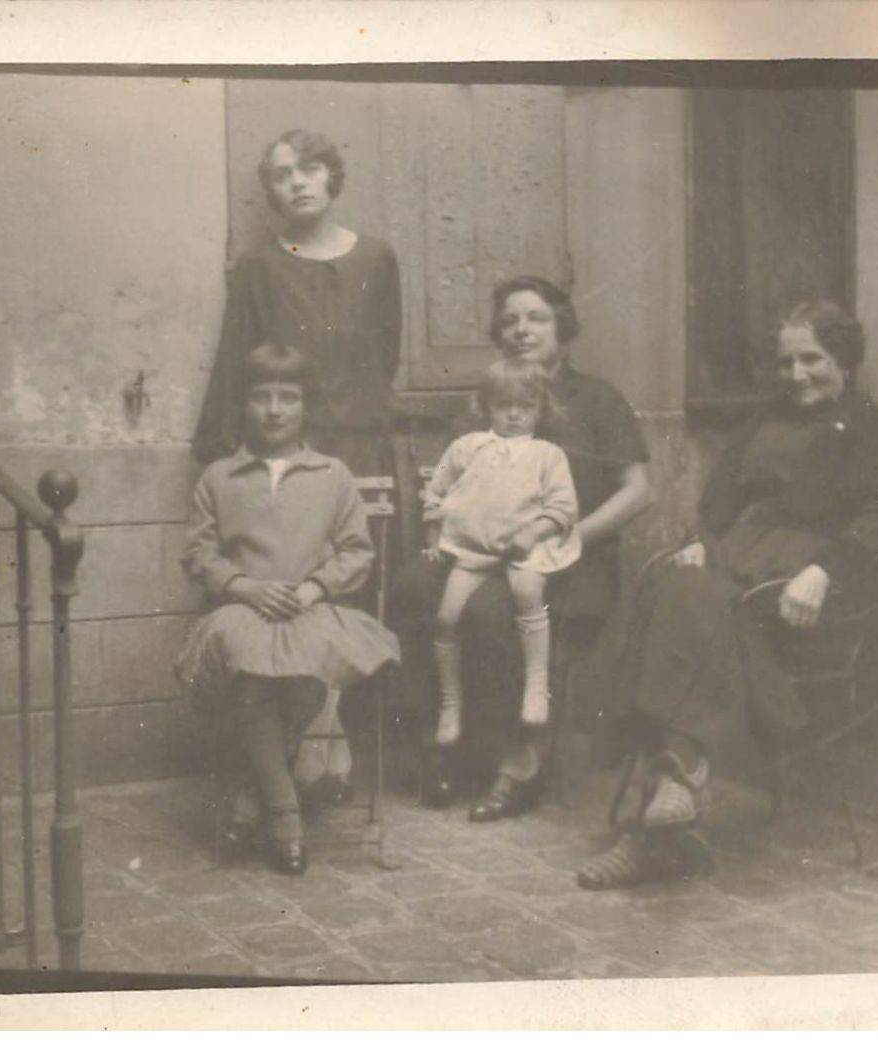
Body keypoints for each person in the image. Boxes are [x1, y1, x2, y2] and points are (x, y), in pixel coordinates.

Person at [575, 299, 878, 890]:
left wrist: (823, 571)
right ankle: (675, 787)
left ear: (845, 359)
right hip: (739, 564)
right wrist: (700, 543)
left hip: (803, 589)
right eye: (786, 362)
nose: (797, 375)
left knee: (687, 601)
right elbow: (716, 507)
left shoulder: (875, 430)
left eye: (813, 359)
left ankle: (665, 799)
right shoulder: (763, 422)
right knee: (671, 579)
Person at [191, 129, 403, 802]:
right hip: (280, 449)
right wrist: (231, 456)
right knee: (277, 590)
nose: (298, 182)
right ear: (272, 191)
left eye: (310, 169)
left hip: (357, 448)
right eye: (281, 174)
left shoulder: (377, 259)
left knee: (344, 592)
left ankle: (329, 746)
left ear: (332, 177)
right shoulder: (258, 267)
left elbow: (386, 351)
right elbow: (237, 361)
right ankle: (280, 761)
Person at [392, 276, 652, 822]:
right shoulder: (485, 400)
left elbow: (637, 490)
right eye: (509, 320)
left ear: (562, 326)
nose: (520, 330)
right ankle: (443, 741)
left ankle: (518, 762)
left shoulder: (599, 399)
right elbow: (453, 485)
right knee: (413, 589)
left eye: (535, 317)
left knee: (492, 610)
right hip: (483, 549)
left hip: (568, 557)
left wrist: (568, 536)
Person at [176, 343, 399, 875]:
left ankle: (252, 801)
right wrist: (243, 585)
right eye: (261, 397)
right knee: (251, 676)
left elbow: (356, 552)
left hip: (308, 607)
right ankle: (285, 816)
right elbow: (198, 553)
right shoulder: (220, 477)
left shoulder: (332, 475)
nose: (274, 409)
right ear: (244, 406)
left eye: (288, 397)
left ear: (307, 407)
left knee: (303, 682)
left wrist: (314, 588)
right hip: (242, 611)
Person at [423, 358, 580, 746]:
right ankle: (451, 703)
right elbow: (435, 492)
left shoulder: (548, 455)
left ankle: (536, 685)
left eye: (525, 406)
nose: (513, 414)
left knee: (528, 592)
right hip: (472, 547)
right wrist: (433, 537)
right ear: (486, 405)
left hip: (526, 547)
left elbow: (563, 508)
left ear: (541, 409)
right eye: (503, 405)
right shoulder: (468, 447)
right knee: (446, 617)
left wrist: (533, 532)